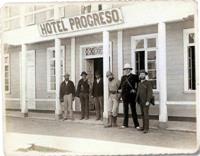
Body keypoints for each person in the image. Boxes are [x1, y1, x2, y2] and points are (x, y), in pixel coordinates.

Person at [118, 63, 140, 129]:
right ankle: (125, 124)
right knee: (125, 110)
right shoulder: (123, 77)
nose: (127, 70)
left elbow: (139, 85)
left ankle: (136, 125)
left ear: (130, 69)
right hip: (125, 96)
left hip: (132, 96)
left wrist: (135, 90)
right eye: (126, 69)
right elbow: (120, 86)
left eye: (128, 69)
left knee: (133, 110)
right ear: (124, 70)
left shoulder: (134, 76)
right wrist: (119, 90)